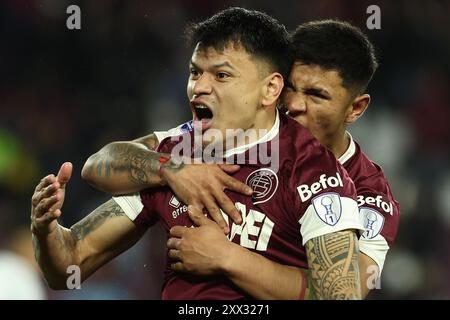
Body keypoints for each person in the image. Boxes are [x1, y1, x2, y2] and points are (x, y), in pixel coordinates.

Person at [31, 8, 363, 299]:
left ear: (270, 89)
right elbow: (69, 263)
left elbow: (340, 294)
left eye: (221, 75)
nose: (198, 87)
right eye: (194, 72)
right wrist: (45, 231)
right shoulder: (179, 153)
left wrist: (228, 258)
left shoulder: (314, 171)